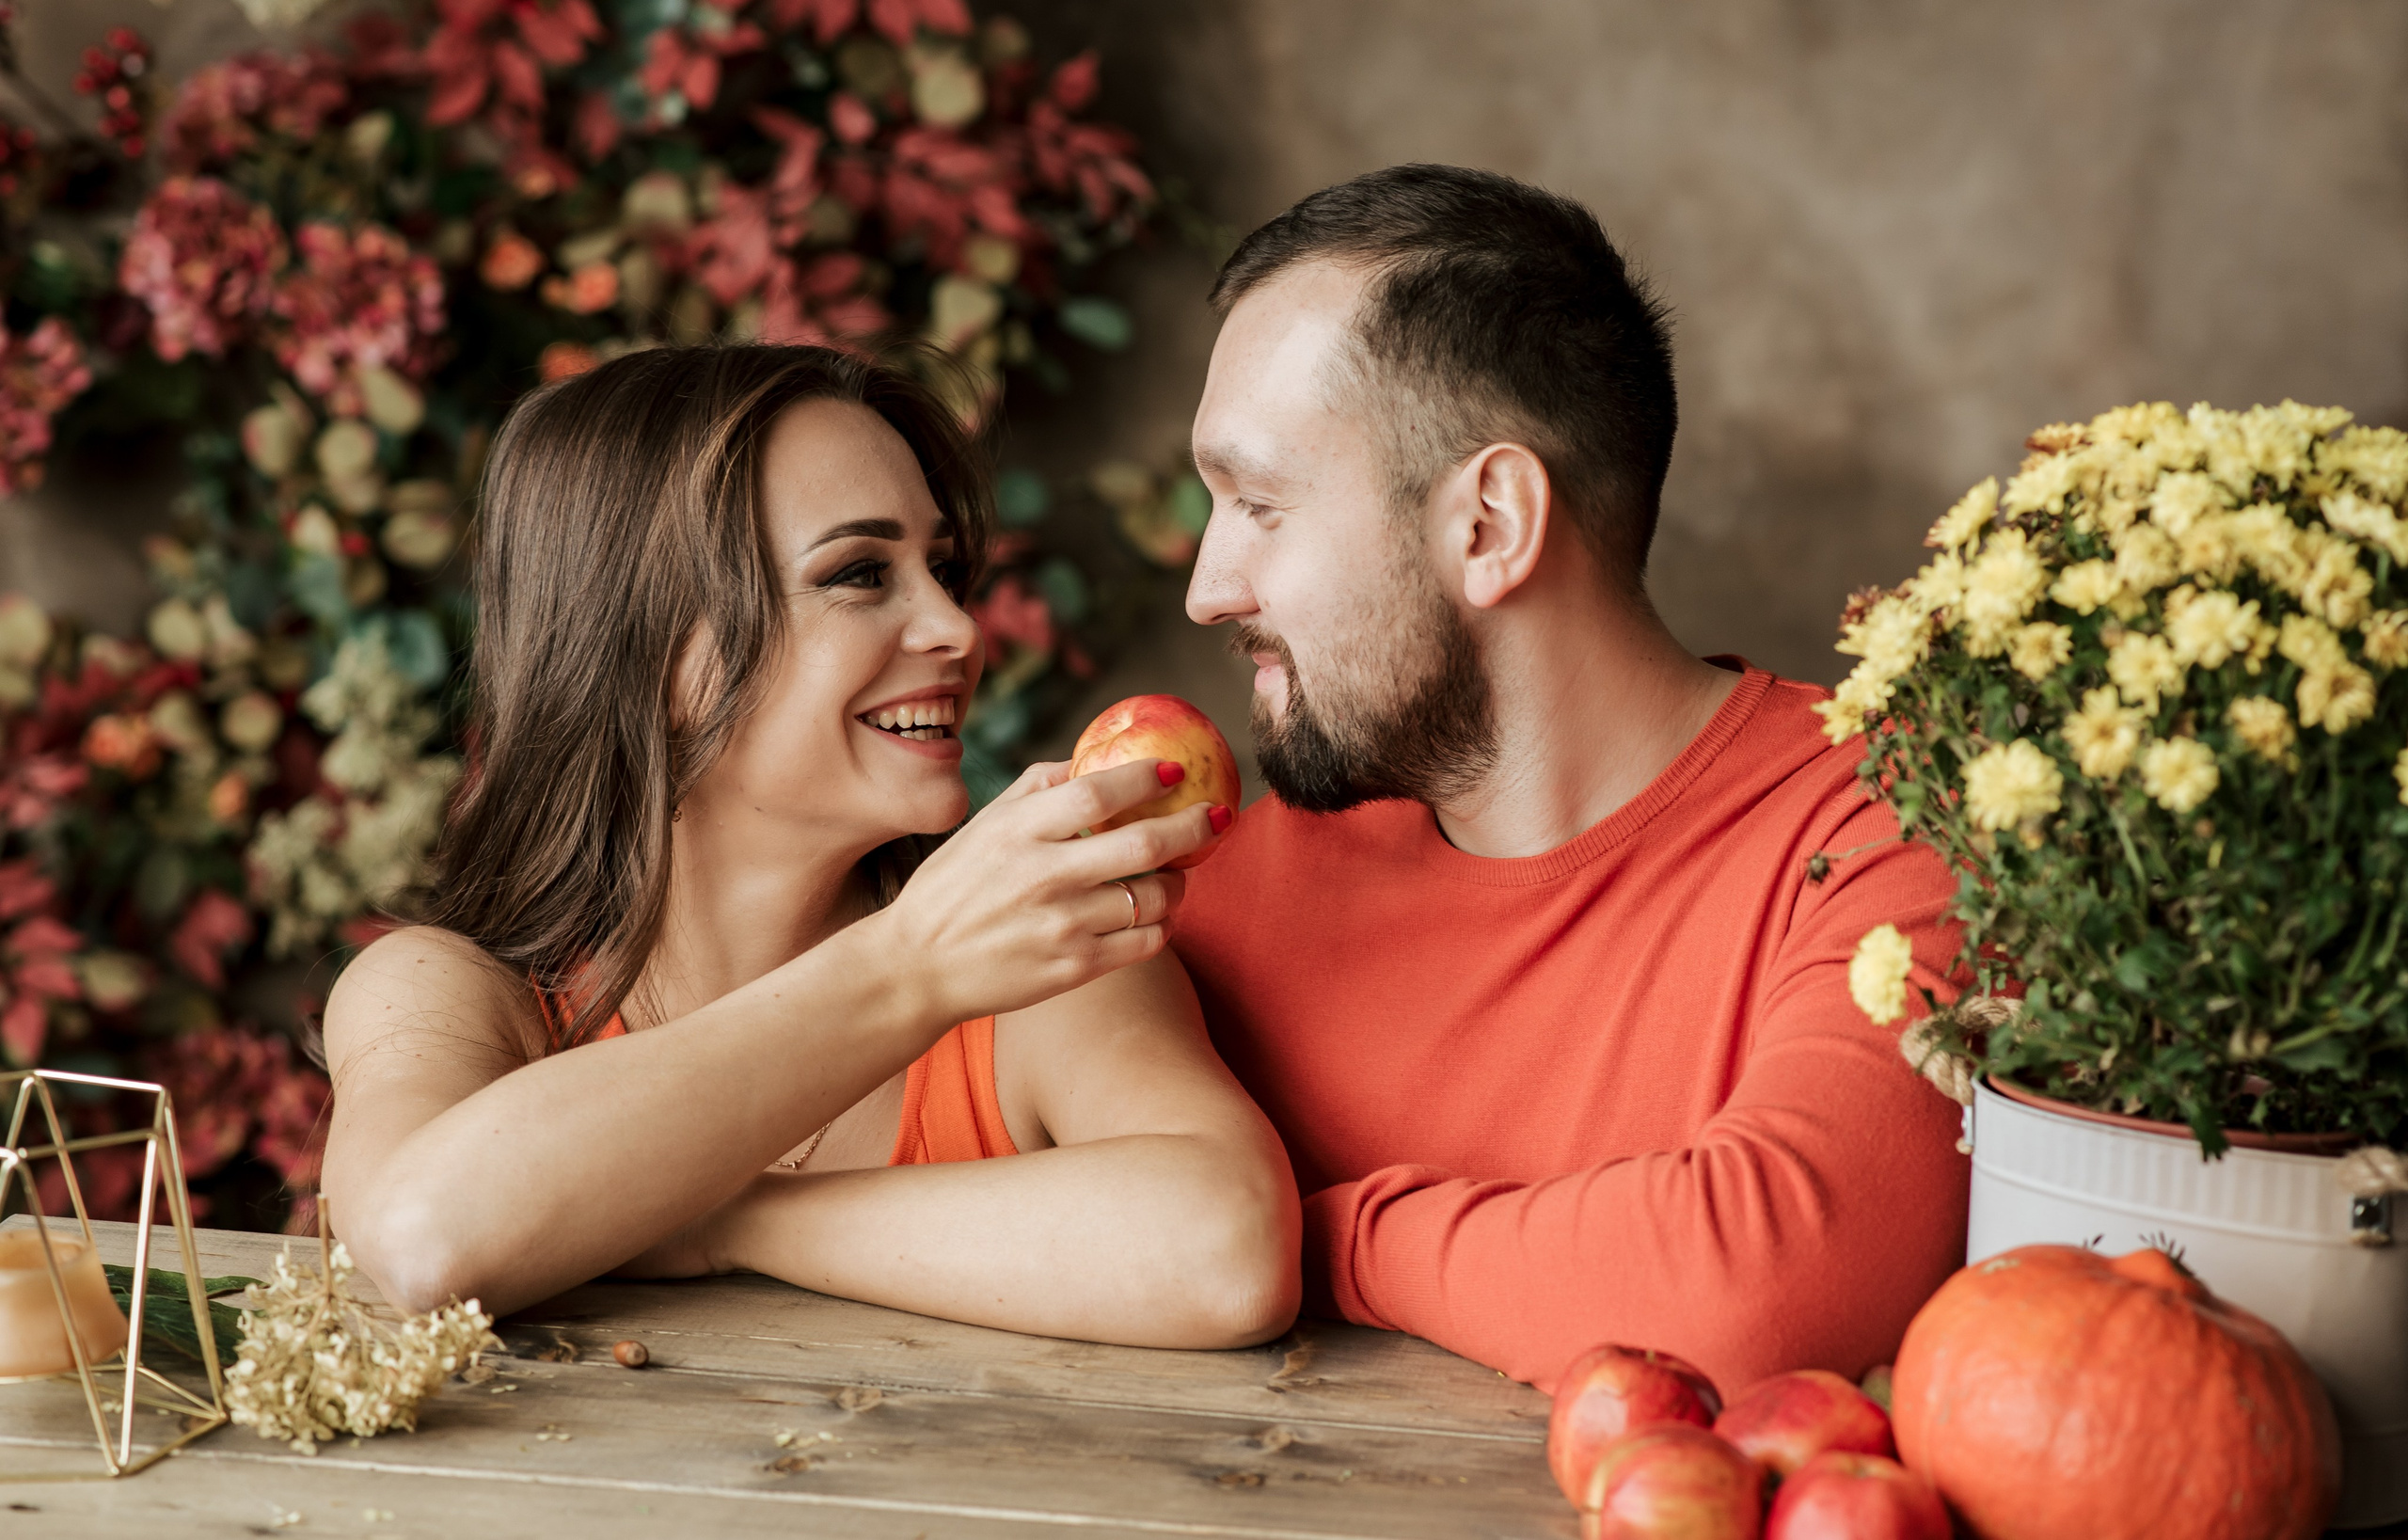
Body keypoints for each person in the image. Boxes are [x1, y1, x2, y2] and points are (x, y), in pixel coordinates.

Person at [320, 343, 1300, 1348]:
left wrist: (720, 1215)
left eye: (944, 569)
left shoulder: (1037, 960)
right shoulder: (444, 991)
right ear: (653, 647)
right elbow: (419, 1239)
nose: (957, 626)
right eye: (860, 572)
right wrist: (910, 964)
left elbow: (1227, 1249)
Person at [1169, 164, 1969, 1394]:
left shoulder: (1885, 823)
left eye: (1262, 504)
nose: (1208, 589)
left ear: (1489, 523)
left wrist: (1274, 1236)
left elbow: (1754, 1294)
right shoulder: (1222, 891)